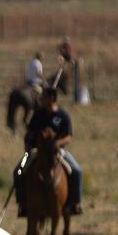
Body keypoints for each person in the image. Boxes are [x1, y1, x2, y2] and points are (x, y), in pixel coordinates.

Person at [20, 85, 82, 215]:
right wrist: (27, 144)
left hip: (58, 152)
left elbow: (69, 137)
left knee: (76, 170)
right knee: (19, 171)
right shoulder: (38, 114)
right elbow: (30, 132)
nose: (41, 99)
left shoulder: (63, 115)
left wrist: (58, 143)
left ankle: (74, 203)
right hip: (36, 151)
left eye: (44, 97)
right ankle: (23, 203)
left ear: (52, 98)